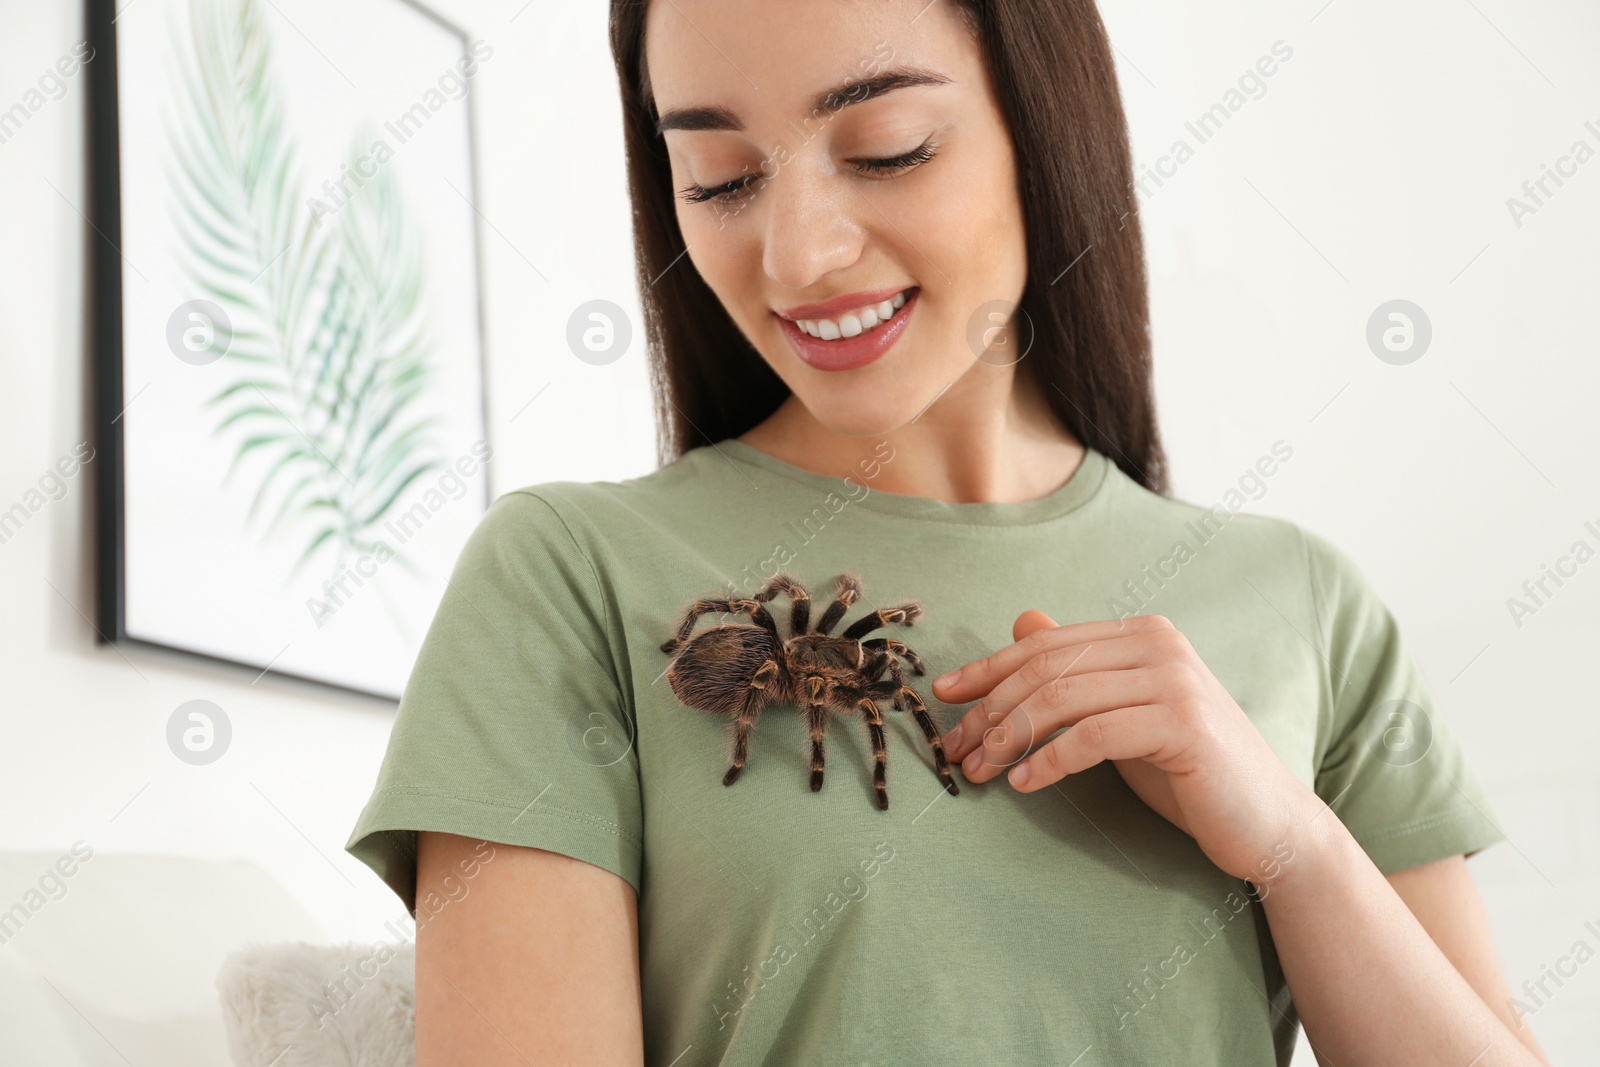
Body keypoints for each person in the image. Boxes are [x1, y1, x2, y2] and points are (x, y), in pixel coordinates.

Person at [345, 1, 1550, 1063]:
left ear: (1045, 124)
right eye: (716, 175)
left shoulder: (1303, 599)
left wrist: (1295, 844)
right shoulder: (572, 577)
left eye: (887, 148)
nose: (798, 254)